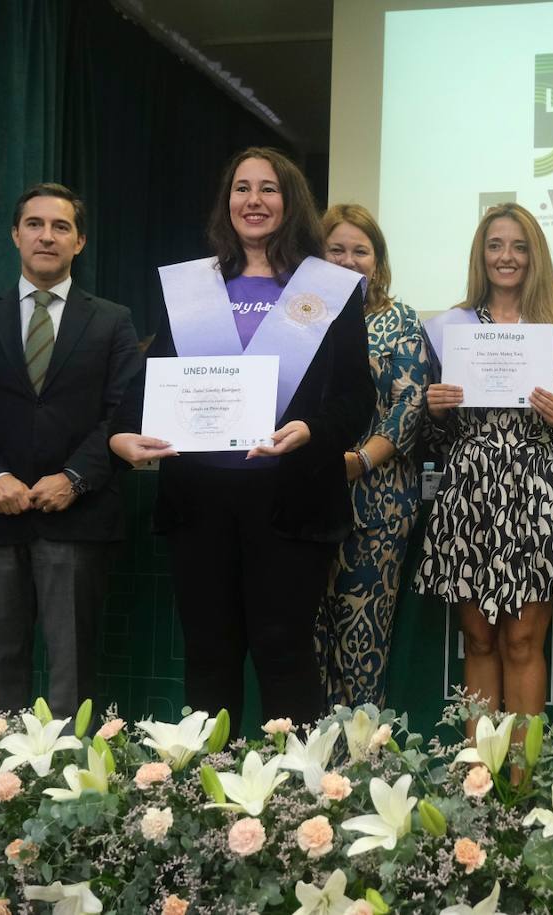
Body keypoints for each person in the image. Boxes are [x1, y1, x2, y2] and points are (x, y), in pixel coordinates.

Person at [109, 147, 375, 729]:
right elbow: (153, 380)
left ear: (291, 201)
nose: (253, 201)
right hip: (199, 502)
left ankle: (294, 809)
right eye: (242, 188)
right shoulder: (190, 287)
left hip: (291, 502)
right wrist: (121, 437)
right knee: (208, 658)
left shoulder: (329, 288)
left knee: (284, 655)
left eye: (269, 189)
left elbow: (358, 398)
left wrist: (314, 430)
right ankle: (209, 805)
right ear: (226, 201)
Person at [0, 183, 142, 714]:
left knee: (73, 672)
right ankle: (0, 791)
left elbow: (121, 415)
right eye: (34, 224)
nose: (46, 236)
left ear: (79, 242)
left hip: (79, 514)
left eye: (60, 227)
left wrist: (73, 478)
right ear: (15, 235)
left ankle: (74, 788)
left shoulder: (112, 321)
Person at [415, 203, 553, 730]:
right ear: (481, 255)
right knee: (478, 639)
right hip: (470, 492)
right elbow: (432, 438)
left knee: (521, 642)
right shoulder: (452, 328)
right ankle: (479, 784)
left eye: (519, 246)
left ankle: (522, 781)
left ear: (534, 255)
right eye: (496, 245)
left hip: (540, 494)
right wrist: (436, 411)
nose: (507, 257)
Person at [317, 203, 429, 709]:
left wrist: (357, 461)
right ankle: (307, 769)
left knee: (364, 640)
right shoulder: (298, 318)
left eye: (359, 251)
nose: (347, 260)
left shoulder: (399, 320)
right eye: (335, 249)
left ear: (378, 263)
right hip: (306, 500)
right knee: (308, 638)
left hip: (379, 504)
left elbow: (410, 407)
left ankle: (362, 769)